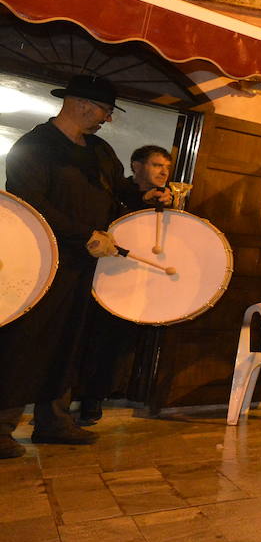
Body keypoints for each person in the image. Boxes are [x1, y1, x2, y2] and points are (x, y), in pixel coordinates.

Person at [0, 75, 127, 457]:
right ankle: (1, 426)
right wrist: (84, 232)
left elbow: (116, 194)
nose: (106, 119)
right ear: (83, 105)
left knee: (71, 342)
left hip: (84, 264)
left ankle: (54, 421)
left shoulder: (101, 151)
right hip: (39, 261)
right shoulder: (35, 146)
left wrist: (145, 196)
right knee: (24, 342)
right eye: (105, 111)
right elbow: (30, 203)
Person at [77, 144, 177, 425]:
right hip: (103, 272)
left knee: (118, 342)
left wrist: (168, 207)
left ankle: (98, 395)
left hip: (141, 276)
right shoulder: (116, 190)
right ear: (136, 166)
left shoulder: (166, 200)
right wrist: (141, 199)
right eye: (157, 165)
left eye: (167, 167)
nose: (164, 172)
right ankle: (75, 399)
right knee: (90, 338)